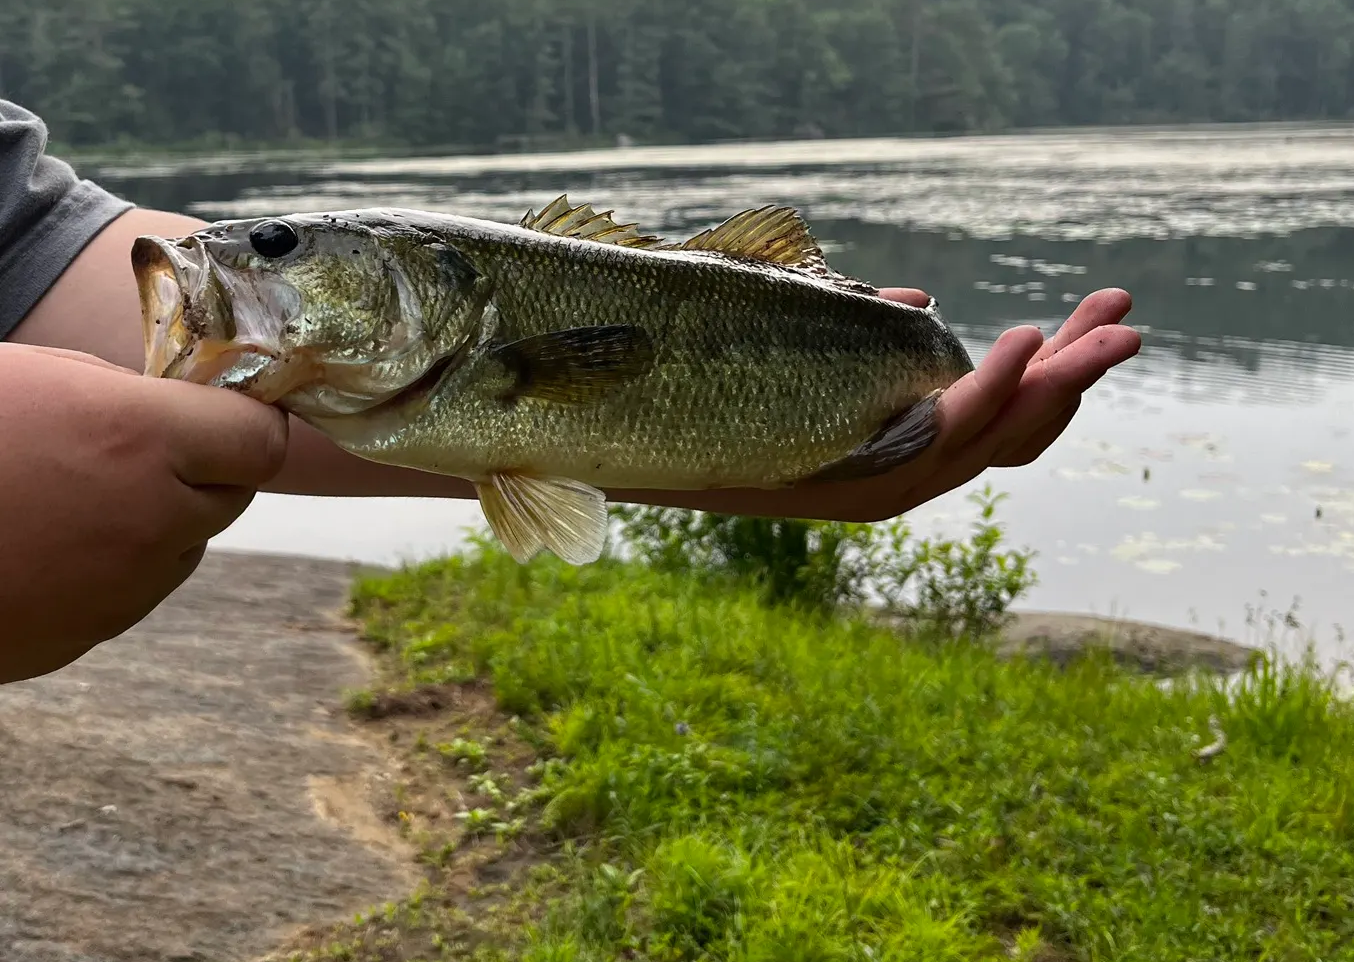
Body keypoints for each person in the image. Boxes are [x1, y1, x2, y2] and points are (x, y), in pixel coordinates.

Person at [0, 100, 1141, 684]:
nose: (223, 263)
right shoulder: (410, 350)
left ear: (429, 288)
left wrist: (825, 462)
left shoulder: (389, 371)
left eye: (279, 246)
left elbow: (44, 260)